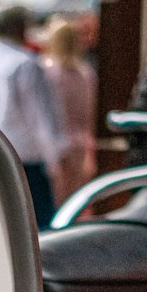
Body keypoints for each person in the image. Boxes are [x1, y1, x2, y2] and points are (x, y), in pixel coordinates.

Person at [0, 5, 66, 230]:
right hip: (24, 153)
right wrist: (54, 157)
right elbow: (38, 113)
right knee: (38, 223)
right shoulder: (25, 62)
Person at [41, 15, 98, 200]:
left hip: (54, 143)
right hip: (80, 143)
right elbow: (89, 114)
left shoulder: (47, 71)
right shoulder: (86, 73)